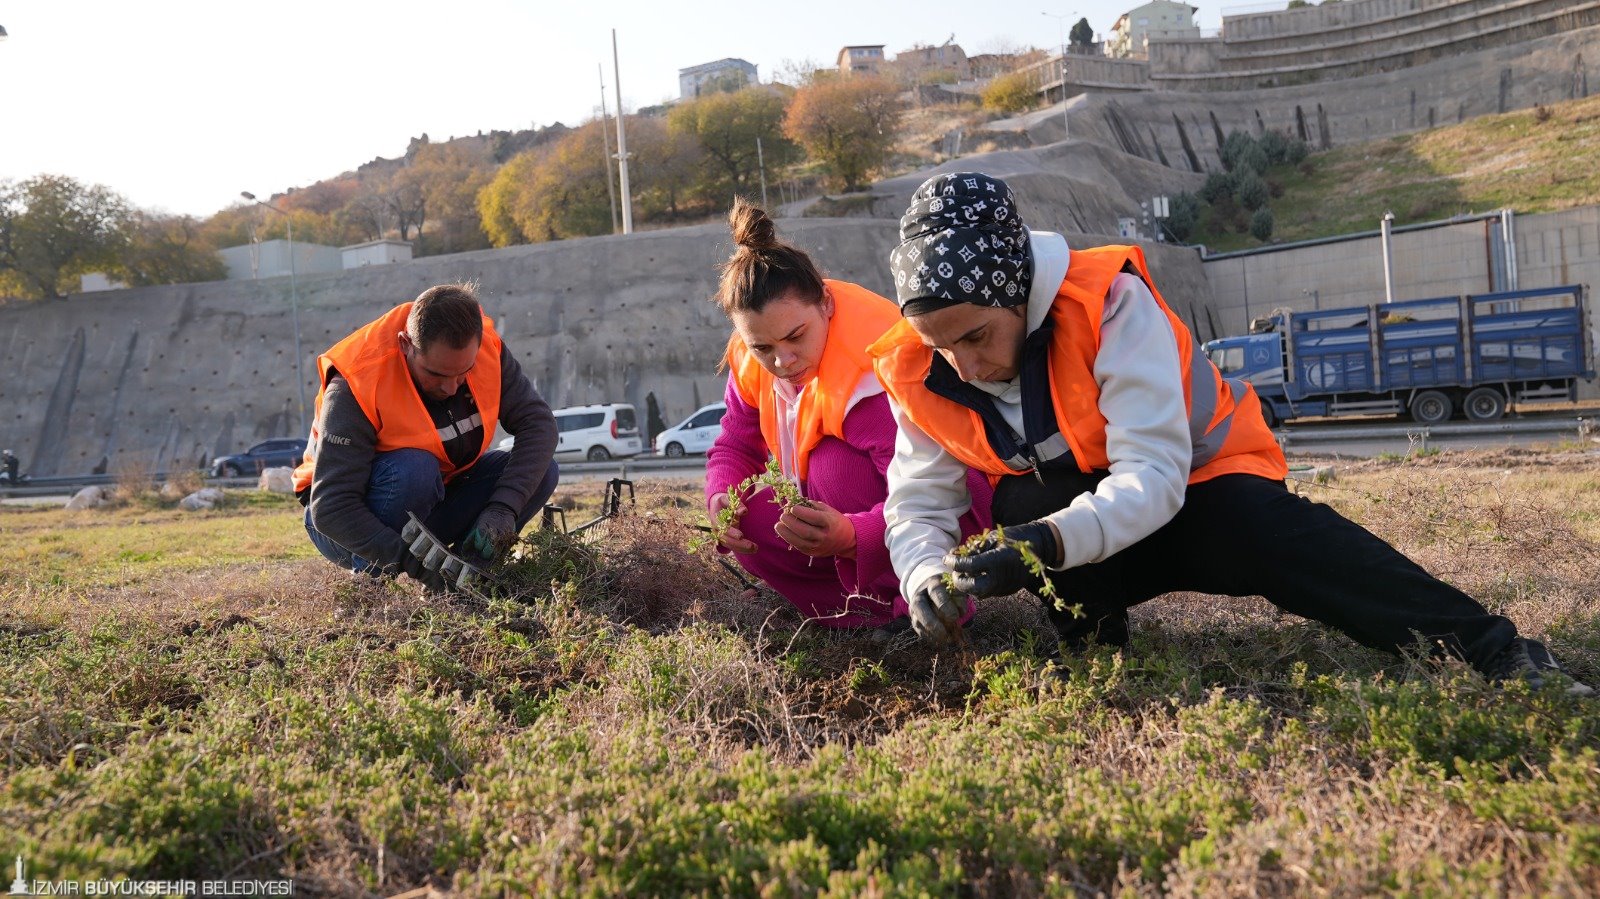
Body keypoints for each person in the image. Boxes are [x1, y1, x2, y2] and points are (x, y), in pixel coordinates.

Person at [870, 172, 1590, 694]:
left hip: (1205, 491)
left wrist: (1041, 546)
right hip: (1096, 530)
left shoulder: (1111, 304)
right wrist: (923, 575)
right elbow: (918, 503)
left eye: (976, 335)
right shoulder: (916, 366)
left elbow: (1152, 474)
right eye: (941, 346)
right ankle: (1097, 653)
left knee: (1279, 536)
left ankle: (1495, 652)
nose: (962, 363)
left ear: (1017, 292)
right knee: (1024, 503)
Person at [705, 199, 993, 631]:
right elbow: (734, 443)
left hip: (954, 519)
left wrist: (855, 535)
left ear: (825, 302)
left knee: (832, 468)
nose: (783, 361)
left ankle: (921, 600)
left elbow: (959, 494)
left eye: (795, 336)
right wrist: (719, 497)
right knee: (748, 510)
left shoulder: (876, 373)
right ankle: (855, 612)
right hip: (841, 531)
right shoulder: (751, 361)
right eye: (762, 348)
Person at [293, 283, 560, 590]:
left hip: (437, 499)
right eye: (436, 374)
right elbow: (332, 508)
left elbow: (538, 424)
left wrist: (504, 508)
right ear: (406, 344)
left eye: (463, 372)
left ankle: (463, 583)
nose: (451, 387)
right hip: (346, 526)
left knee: (542, 471)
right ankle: (373, 587)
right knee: (414, 470)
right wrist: (415, 564)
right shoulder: (357, 381)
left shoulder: (487, 348)